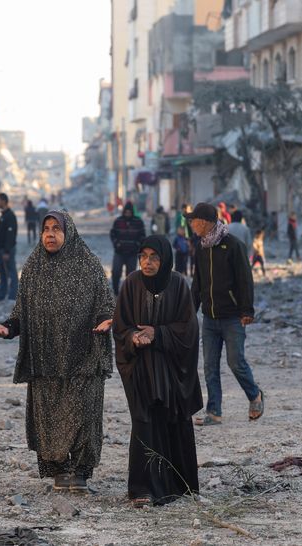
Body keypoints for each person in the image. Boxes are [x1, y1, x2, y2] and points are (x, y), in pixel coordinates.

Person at [0, 211, 114, 492]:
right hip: (45, 358)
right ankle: (59, 472)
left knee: (83, 415)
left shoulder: (89, 265)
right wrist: (8, 329)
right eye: (46, 228)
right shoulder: (33, 267)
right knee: (49, 418)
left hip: (84, 356)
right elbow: (21, 313)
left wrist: (108, 322)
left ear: (69, 233)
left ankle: (80, 472)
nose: (50, 234)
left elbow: (106, 306)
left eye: (57, 228)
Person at [113, 235, 202, 507]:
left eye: (154, 257)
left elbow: (189, 328)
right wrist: (133, 339)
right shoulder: (130, 284)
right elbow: (120, 327)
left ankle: (179, 485)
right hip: (141, 369)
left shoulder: (178, 284)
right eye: (143, 257)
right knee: (144, 424)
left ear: (164, 260)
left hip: (171, 371)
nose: (147, 262)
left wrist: (158, 333)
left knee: (174, 422)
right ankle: (142, 490)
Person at [186, 203, 263, 426]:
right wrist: (191, 310)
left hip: (232, 317)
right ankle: (214, 412)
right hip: (209, 318)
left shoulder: (233, 246)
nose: (191, 224)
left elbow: (245, 280)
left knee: (235, 361)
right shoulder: (201, 247)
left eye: (194, 220)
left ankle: (255, 396)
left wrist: (247, 310)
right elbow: (197, 282)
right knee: (210, 366)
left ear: (206, 222)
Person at [110, 202, 146, 295]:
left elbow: (142, 236)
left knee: (131, 275)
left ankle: (128, 293)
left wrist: (137, 245)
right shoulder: (118, 221)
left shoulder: (138, 222)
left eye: (129, 212)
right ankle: (116, 291)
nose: (128, 214)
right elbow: (113, 234)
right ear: (124, 212)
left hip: (132, 253)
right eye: (126, 212)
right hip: (119, 252)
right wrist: (116, 244)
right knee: (116, 272)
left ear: (132, 212)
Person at [0, 193, 19, 301]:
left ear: (4, 201)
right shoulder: (3, 215)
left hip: (7, 250)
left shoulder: (10, 216)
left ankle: (13, 295)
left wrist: (6, 251)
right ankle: (2, 294)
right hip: (1, 249)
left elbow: (10, 235)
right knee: (2, 273)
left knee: (11, 272)